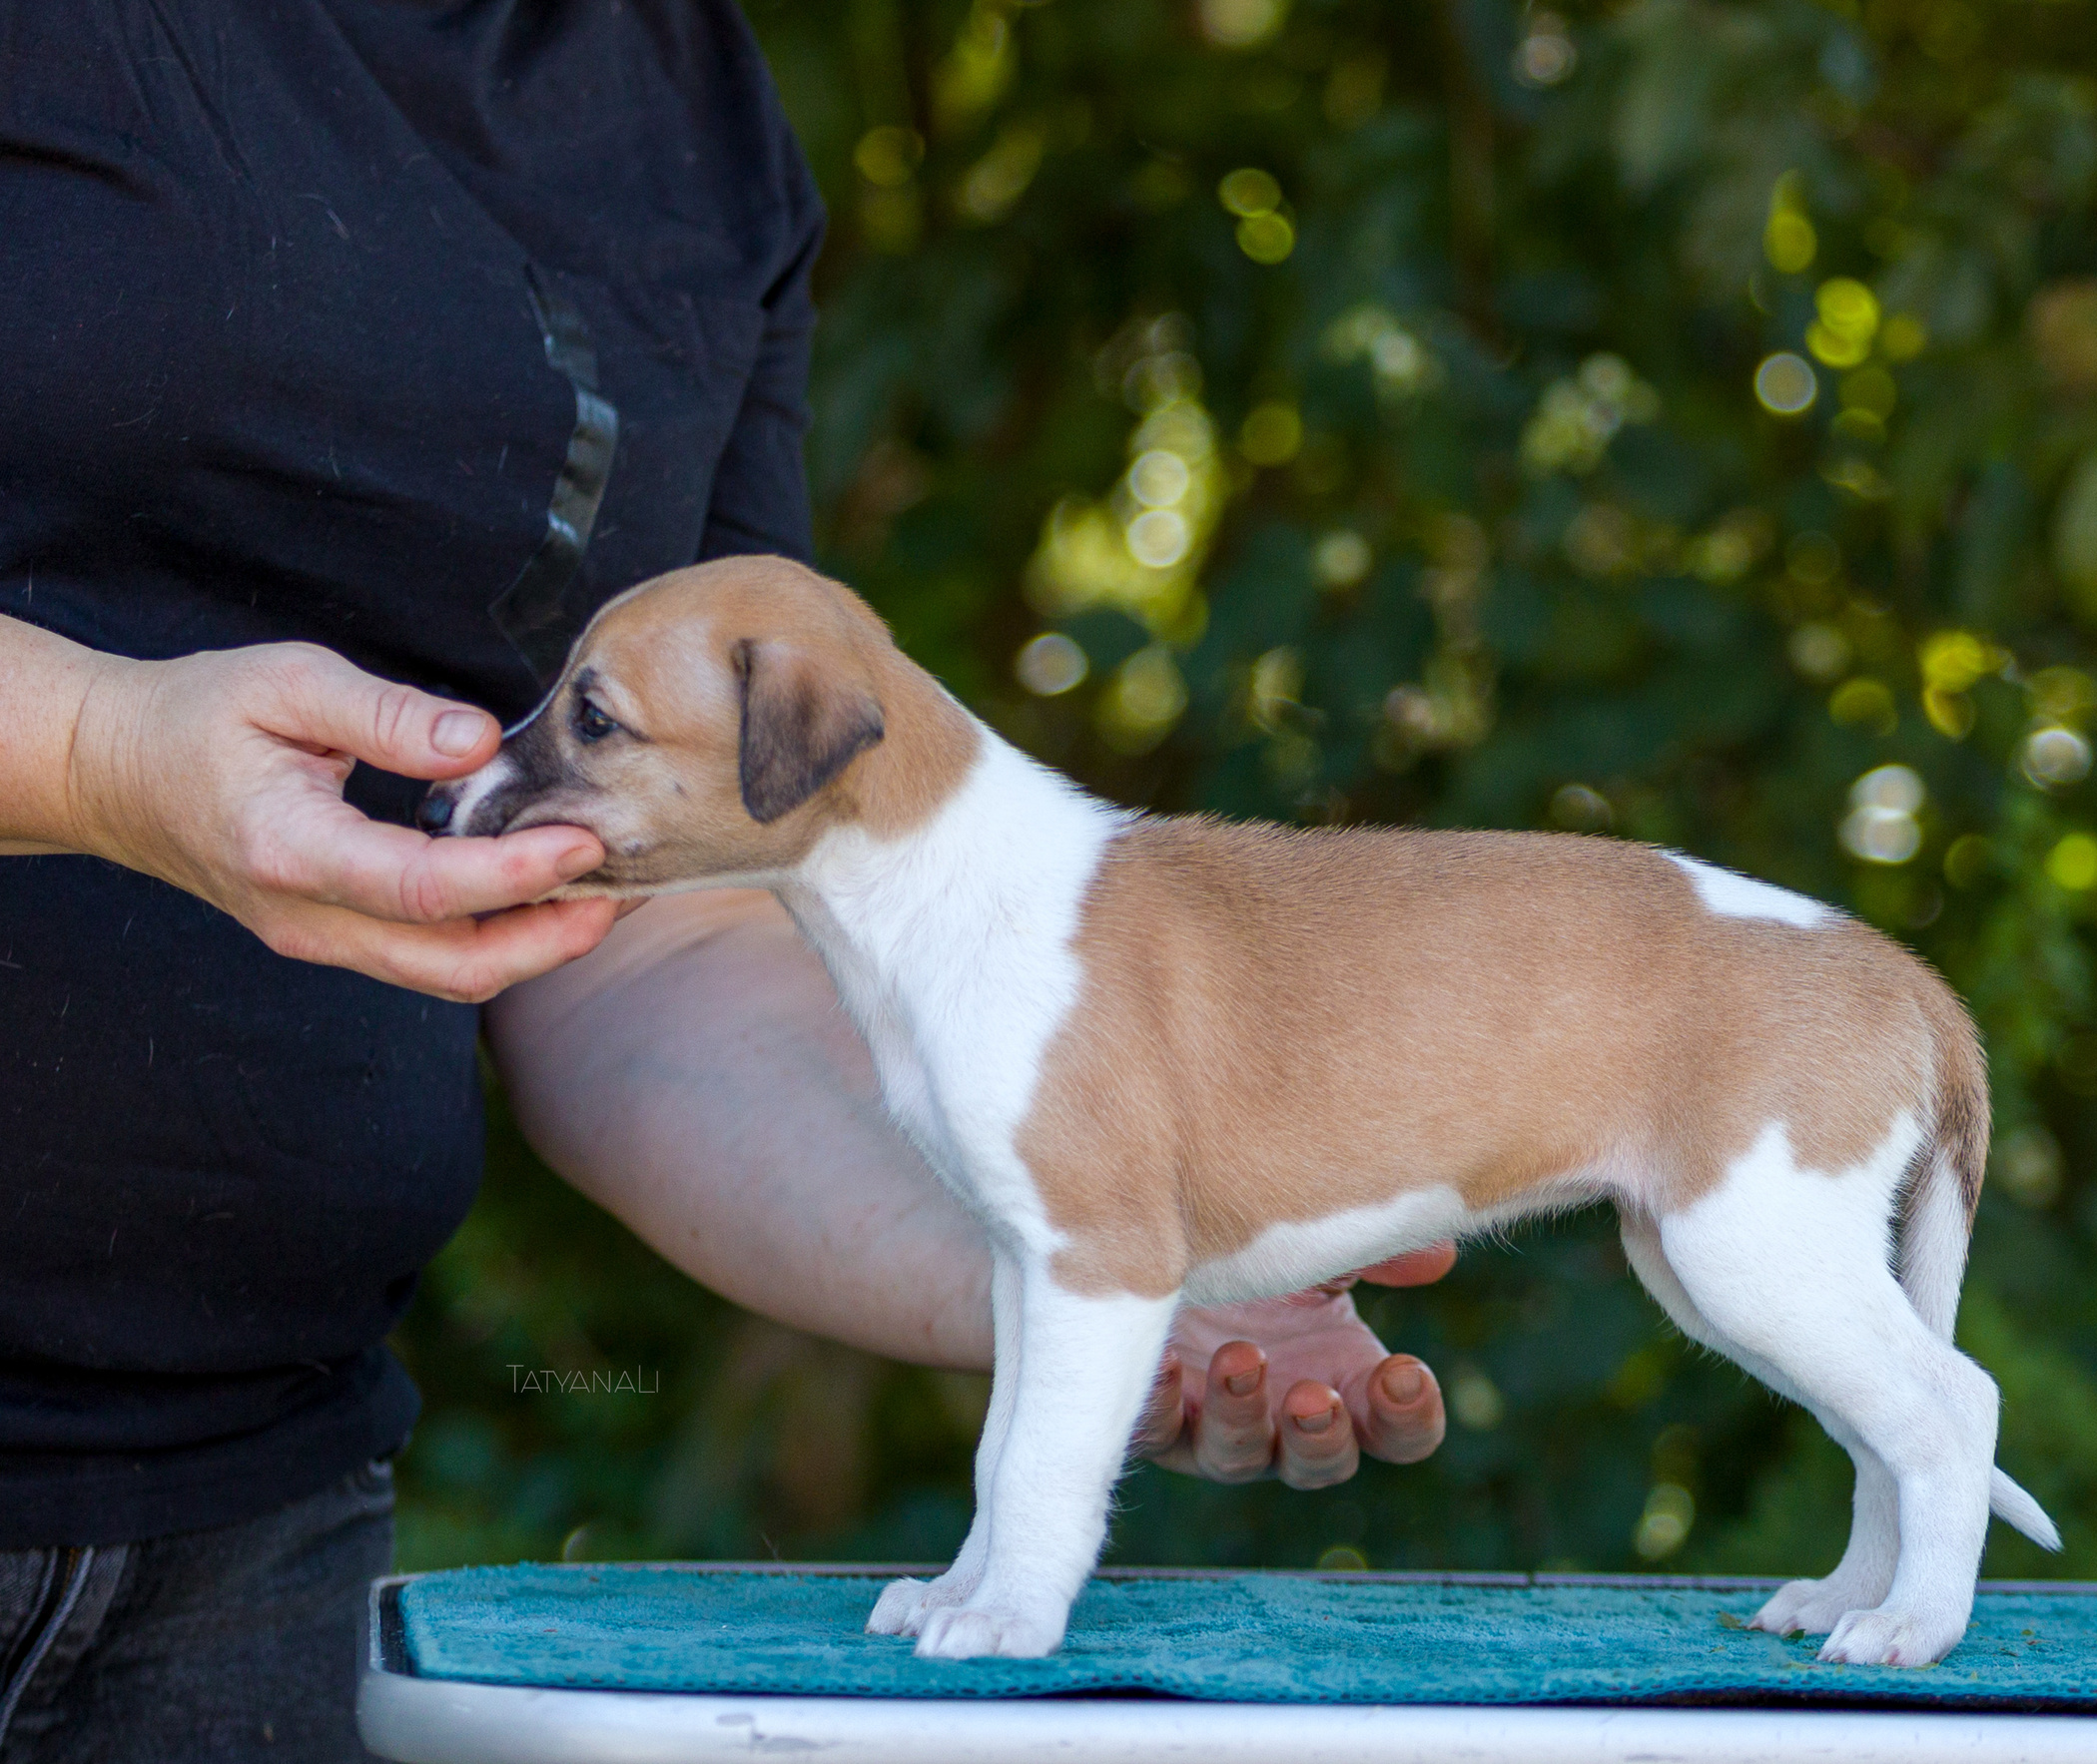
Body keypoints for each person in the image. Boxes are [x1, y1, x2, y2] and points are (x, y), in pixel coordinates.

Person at [0, 7, 1447, 1758]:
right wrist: (91, 751)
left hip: (252, 1518)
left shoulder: (690, 106)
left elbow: (641, 942)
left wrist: (1069, 1259)